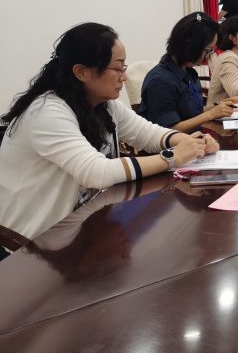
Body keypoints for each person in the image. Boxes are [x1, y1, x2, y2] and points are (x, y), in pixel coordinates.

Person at [0, 23, 218, 243]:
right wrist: (172, 157)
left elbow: (148, 133)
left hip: (85, 225)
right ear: (81, 72)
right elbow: (97, 172)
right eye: (118, 68)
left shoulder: (104, 105)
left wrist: (192, 141)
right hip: (34, 242)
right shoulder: (47, 112)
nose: (124, 77)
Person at [139, 12, 238, 131]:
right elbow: (168, 129)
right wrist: (210, 115)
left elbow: (192, 114)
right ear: (191, 44)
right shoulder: (160, 81)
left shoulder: (189, 73)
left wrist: (222, 105)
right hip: (176, 141)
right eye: (207, 50)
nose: (207, 56)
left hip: (195, 137)